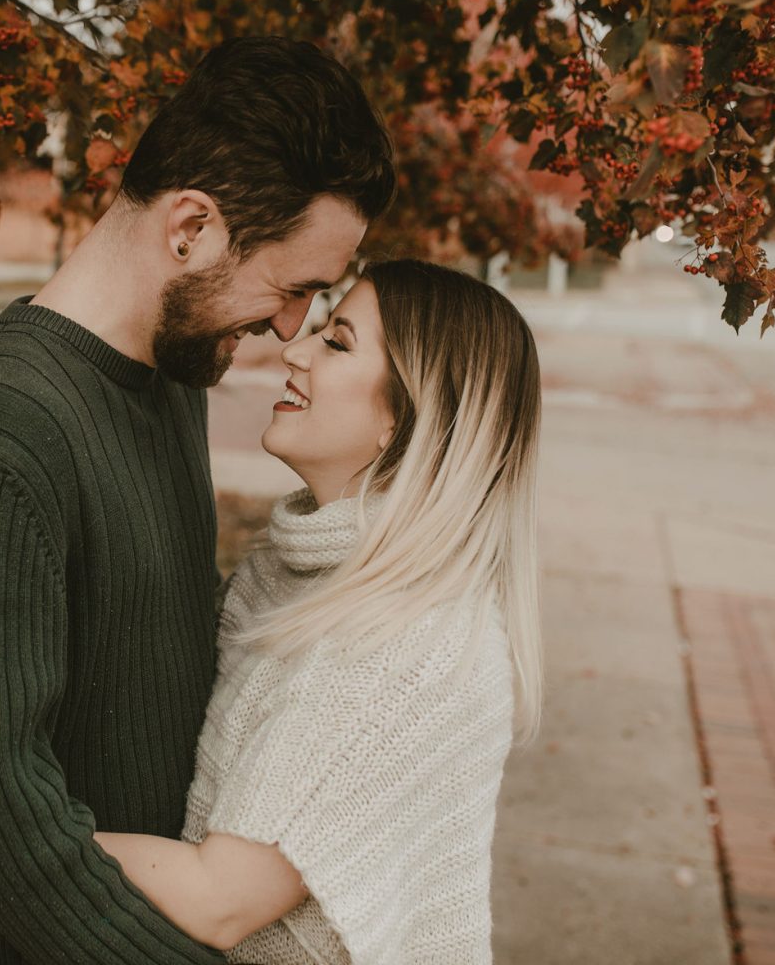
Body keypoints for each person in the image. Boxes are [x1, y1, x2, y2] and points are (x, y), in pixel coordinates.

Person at [0, 36, 395, 964]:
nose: (293, 326)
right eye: (292, 288)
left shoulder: (174, 375)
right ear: (191, 229)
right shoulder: (5, 426)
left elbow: (162, 648)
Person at [94, 260, 544, 964]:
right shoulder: (295, 572)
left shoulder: (403, 640)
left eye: (337, 342)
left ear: (405, 411)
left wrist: (14, 834)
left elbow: (223, 899)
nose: (295, 349)